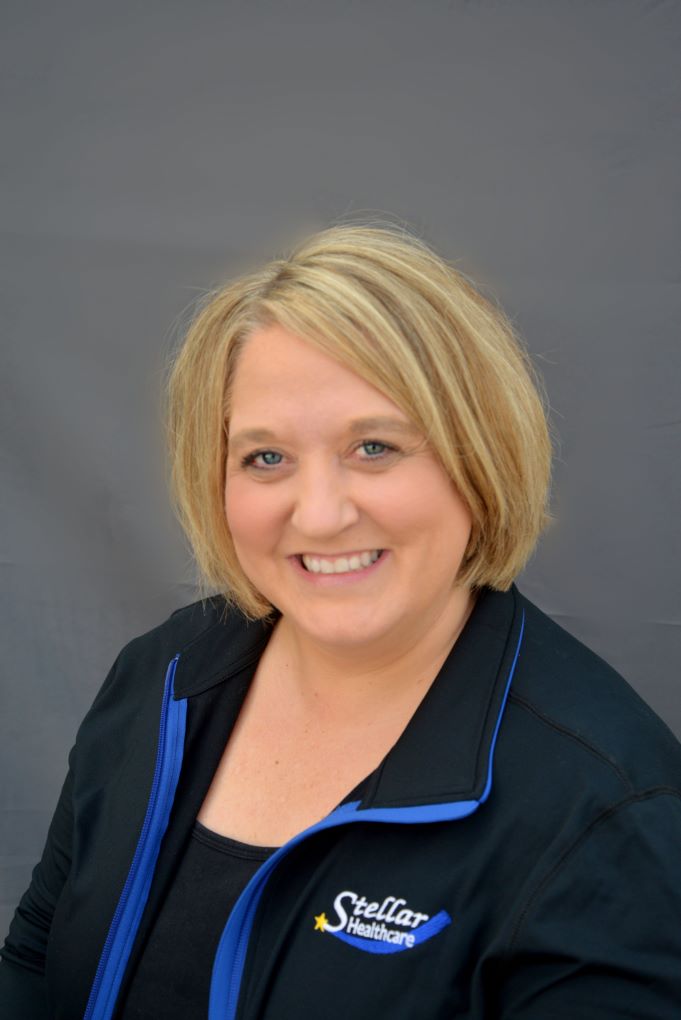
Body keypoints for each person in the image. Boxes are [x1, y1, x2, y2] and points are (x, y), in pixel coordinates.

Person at [1, 223, 680, 1020]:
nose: (319, 516)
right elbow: (37, 961)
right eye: (265, 458)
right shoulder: (165, 674)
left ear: (479, 457)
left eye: (374, 446)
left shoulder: (607, 809)